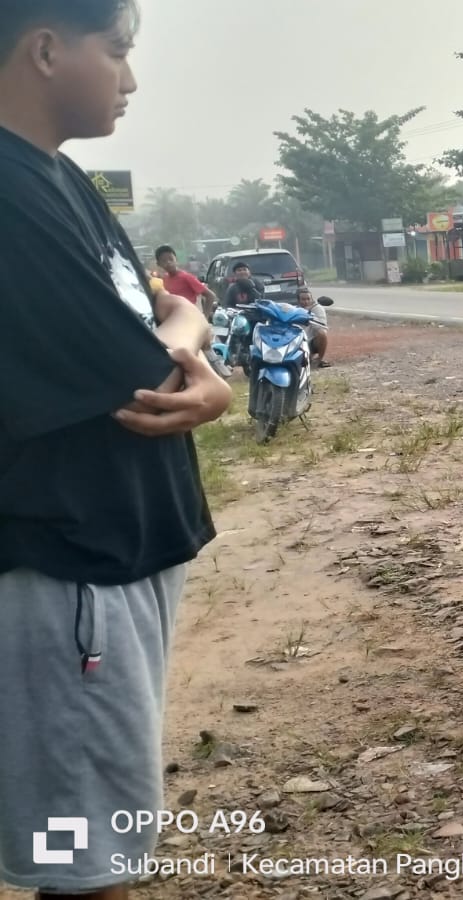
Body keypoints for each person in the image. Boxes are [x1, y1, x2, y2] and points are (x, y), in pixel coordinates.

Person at [0, 2, 232, 898]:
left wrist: (194, 340)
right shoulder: (13, 201)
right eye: (118, 53)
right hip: (71, 571)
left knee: (93, 827)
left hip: (110, 561)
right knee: (85, 860)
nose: (130, 81)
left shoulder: (57, 180)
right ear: (47, 48)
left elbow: (167, 318)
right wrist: (195, 364)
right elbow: (153, 362)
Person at [155, 243, 217, 317]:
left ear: (176, 259)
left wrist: (205, 317)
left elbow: (210, 295)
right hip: (173, 319)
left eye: (171, 259)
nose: (168, 262)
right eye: (164, 261)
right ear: (159, 264)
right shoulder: (163, 280)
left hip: (189, 318)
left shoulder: (186, 277)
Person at [294, 285, 330, 367]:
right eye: (303, 299)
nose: (306, 301)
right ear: (298, 300)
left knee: (322, 334)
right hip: (299, 342)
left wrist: (309, 316)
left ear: (311, 299)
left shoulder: (317, 309)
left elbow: (321, 327)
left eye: (308, 299)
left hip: (311, 341)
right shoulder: (294, 310)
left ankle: (319, 359)